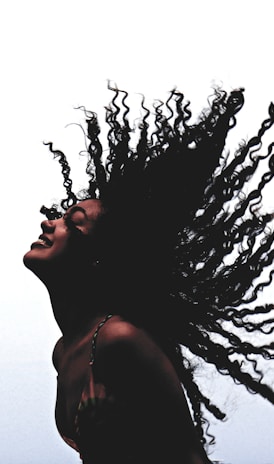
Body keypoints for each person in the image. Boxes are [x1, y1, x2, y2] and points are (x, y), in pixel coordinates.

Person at [24, 84, 274, 464]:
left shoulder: (119, 339)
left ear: (98, 259)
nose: (49, 222)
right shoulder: (64, 352)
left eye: (71, 223)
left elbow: (192, 458)